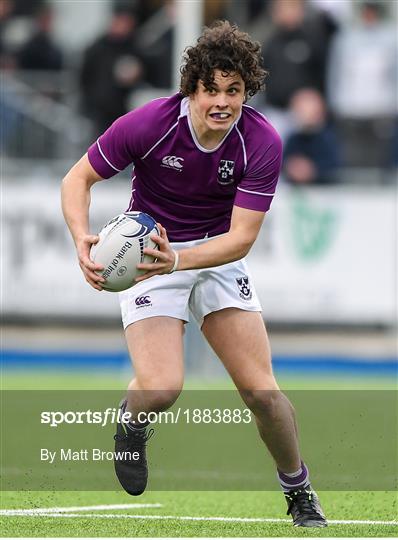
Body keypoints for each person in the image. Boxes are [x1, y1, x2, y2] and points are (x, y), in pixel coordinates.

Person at [61, 21, 327, 528]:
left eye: (234, 91)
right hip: (149, 254)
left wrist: (181, 259)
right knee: (161, 387)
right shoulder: (150, 123)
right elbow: (78, 178)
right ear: (192, 89)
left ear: (247, 91)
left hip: (215, 257)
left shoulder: (261, 140)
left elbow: (242, 238)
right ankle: (131, 421)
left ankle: (298, 489)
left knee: (262, 393)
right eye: (211, 90)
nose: (222, 102)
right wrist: (81, 237)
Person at [283, 88, 340, 185]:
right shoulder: (293, 138)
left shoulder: (329, 139)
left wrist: (312, 171)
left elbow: (334, 167)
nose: (304, 114)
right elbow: (284, 163)